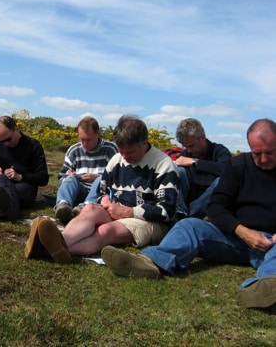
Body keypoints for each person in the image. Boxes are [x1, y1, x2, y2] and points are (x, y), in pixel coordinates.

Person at [100, 118, 276, 310]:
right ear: (249, 147)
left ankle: (264, 288)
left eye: (270, 153)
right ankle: (150, 262)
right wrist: (242, 231)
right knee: (189, 225)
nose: (264, 159)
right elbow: (216, 206)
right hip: (235, 238)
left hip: (272, 242)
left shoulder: (221, 154)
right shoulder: (238, 166)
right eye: (257, 154)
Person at [25, 114, 179, 264]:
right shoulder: (116, 159)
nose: (125, 156)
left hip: (149, 221)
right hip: (117, 210)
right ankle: (58, 242)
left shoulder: (164, 165)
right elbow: (101, 190)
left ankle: (50, 249)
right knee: (89, 209)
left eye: (130, 152)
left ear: (144, 143)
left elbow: (167, 210)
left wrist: (129, 212)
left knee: (105, 231)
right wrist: (104, 199)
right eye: (121, 151)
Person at [0, 115, 49, 222]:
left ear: (16, 129)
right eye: (1, 140)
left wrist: (20, 177)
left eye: (8, 139)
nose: (6, 144)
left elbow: (43, 178)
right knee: (0, 181)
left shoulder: (33, 146)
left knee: (12, 191)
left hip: (24, 186)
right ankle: (9, 210)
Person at [54, 116, 118, 224]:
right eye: (82, 139)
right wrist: (68, 174)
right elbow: (61, 175)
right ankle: (63, 206)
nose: (84, 144)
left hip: (100, 193)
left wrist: (96, 177)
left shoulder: (111, 149)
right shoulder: (74, 150)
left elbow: (117, 176)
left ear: (98, 134)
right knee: (69, 179)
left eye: (88, 140)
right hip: (79, 190)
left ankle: (86, 207)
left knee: (101, 180)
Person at [174, 118, 231, 219]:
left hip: (209, 201)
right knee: (179, 171)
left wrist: (195, 162)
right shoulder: (185, 154)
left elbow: (227, 170)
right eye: (185, 146)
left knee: (222, 181)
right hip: (189, 198)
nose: (189, 150)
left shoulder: (219, 151)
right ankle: (180, 212)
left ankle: (186, 216)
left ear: (203, 137)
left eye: (191, 146)